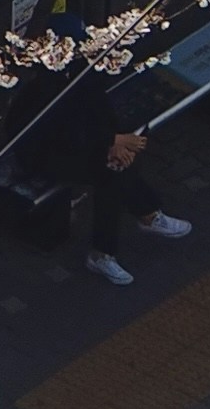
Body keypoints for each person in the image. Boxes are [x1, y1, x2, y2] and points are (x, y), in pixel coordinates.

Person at [45, 67, 194, 286]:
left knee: (116, 170)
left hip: (85, 142)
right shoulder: (55, 82)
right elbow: (60, 128)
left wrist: (114, 142)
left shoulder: (84, 77)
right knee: (112, 175)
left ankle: (136, 224)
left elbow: (93, 114)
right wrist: (112, 142)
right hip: (51, 152)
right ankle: (139, 220)